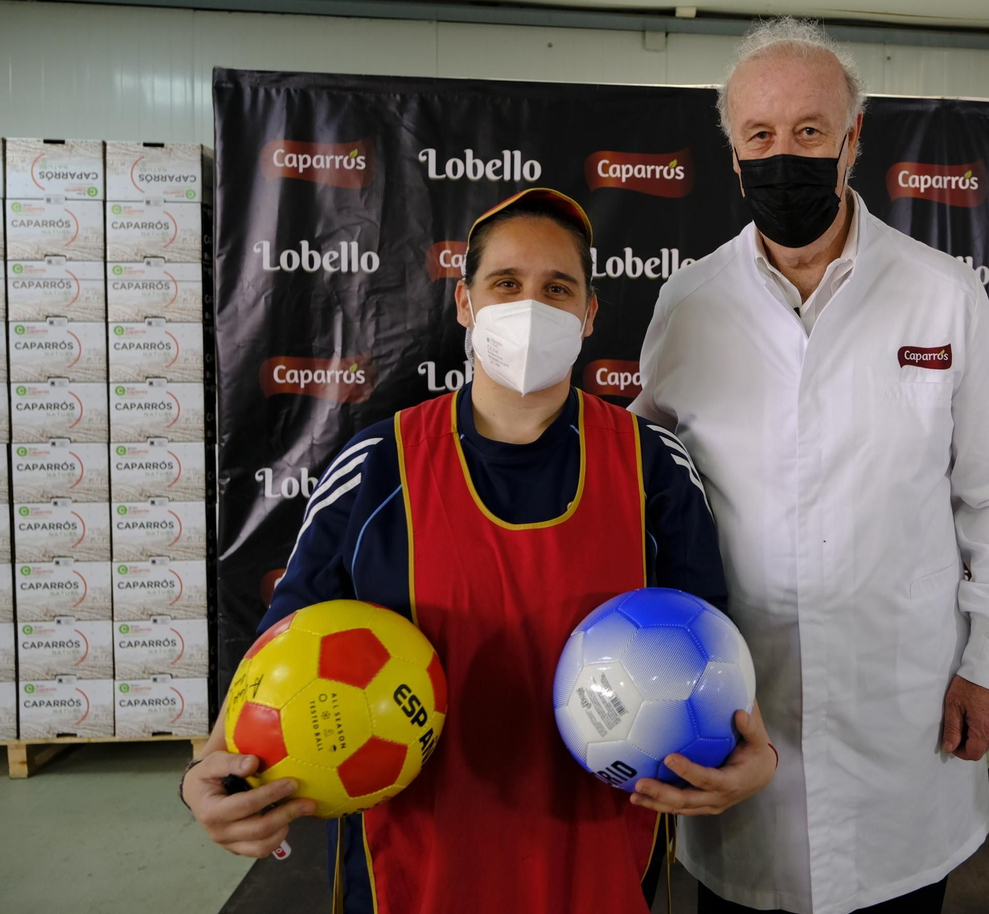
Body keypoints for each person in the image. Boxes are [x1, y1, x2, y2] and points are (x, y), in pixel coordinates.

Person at [181, 187, 776, 913]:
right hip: (416, 870)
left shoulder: (655, 467)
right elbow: (283, 646)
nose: (532, 306)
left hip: (598, 861)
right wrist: (208, 771)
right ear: (465, 304)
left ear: (590, 314)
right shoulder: (376, 466)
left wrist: (757, 756)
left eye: (558, 288)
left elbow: (715, 651)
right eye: (506, 284)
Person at [630, 18, 989, 914]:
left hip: (904, 707)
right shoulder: (691, 303)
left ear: (854, 138)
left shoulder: (941, 291)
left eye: (811, 132)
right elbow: (640, 484)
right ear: (734, 157)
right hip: (740, 708)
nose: (787, 156)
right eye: (762, 137)